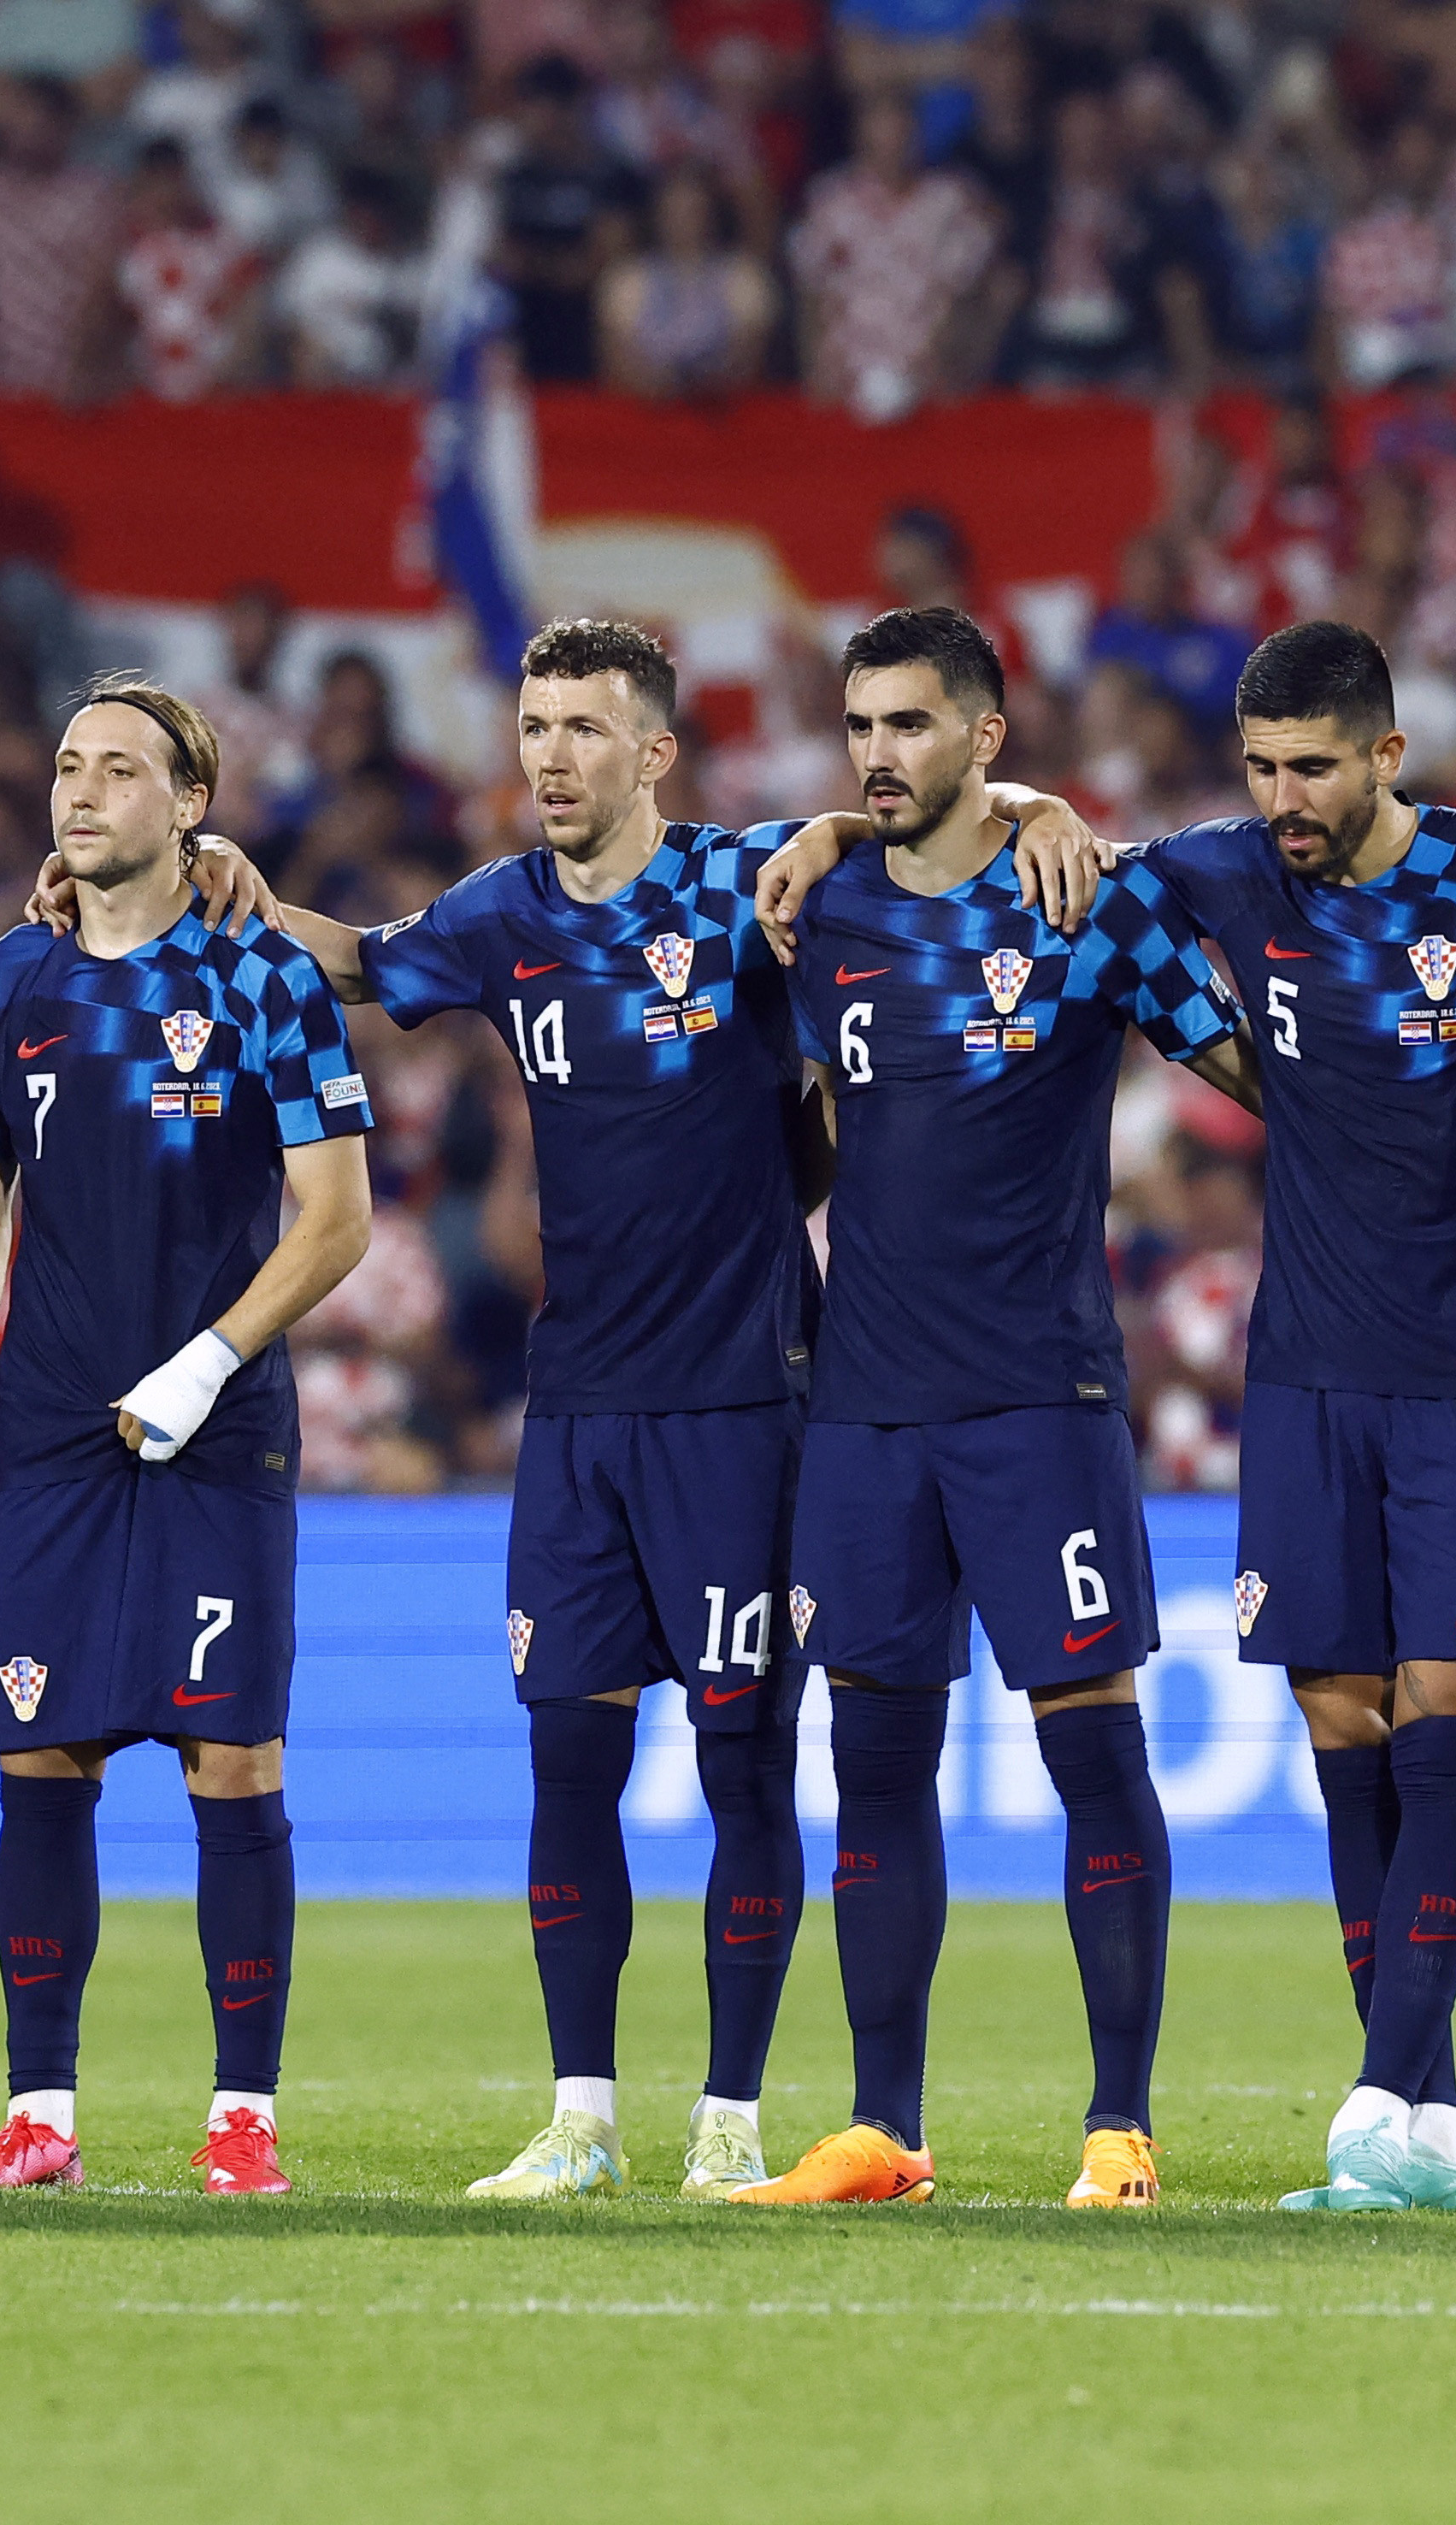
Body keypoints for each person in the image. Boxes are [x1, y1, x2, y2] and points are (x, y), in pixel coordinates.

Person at [759, 619, 1456, 2214]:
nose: (1286, 798)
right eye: (1262, 769)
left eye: (1314, 767)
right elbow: (1006, 849)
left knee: (1449, 1720)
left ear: (1386, 755)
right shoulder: (1229, 875)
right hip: (1305, 1373)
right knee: (1344, 1732)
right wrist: (991, 809)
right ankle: (1421, 2126)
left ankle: (1378, 2094)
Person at [122, 618, 1107, 2198]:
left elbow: (918, 832)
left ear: (654, 754)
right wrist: (210, 876)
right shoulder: (502, 914)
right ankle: (581, 2114)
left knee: (741, 1768)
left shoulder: (750, 889)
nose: (550, 756)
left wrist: (1046, 806)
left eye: (585, 728)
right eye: (532, 726)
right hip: (577, 1411)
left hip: (744, 1401)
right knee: (567, 1764)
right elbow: (368, 963)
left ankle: (729, 2116)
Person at [734, 606, 1257, 2210]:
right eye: (856, 729)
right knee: (874, 1768)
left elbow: (1264, 1070)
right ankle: (883, 2128)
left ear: (984, 735)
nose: (876, 754)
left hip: (1040, 1394)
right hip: (869, 1408)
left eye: (908, 724)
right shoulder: (815, 904)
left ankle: (1120, 2126)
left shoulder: (1091, 899)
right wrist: (820, 828)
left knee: (1093, 1758)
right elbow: (643, 860)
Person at [0, 676, 374, 2197]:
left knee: (230, 1764)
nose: (81, 790)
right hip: (46, 1427)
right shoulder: (7, 986)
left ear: (191, 804)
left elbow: (338, 1214)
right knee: (40, 1758)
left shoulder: (261, 978)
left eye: (122, 769)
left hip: (214, 1424)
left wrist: (209, 1357)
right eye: (66, 765)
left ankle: (242, 2121)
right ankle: (36, 2116)